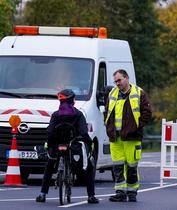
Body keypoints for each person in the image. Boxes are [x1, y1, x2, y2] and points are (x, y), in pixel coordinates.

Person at [36, 89, 99, 204]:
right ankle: (91, 196)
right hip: (74, 146)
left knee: (49, 167)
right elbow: (84, 133)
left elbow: (50, 132)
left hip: (56, 146)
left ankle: (42, 194)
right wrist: (90, 143)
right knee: (88, 167)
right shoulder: (78, 114)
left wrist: (48, 145)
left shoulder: (55, 115)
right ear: (72, 101)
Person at [105, 69, 152, 202]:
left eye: (119, 80)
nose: (117, 83)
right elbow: (107, 112)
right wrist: (108, 127)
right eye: (115, 81)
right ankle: (120, 192)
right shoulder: (113, 93)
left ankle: (132, 193)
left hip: (132, 137)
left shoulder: (138, 93)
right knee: (118, 166)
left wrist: (136, 128)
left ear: (126, 78)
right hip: (115, 137)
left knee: (131, 166)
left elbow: (147, 113)